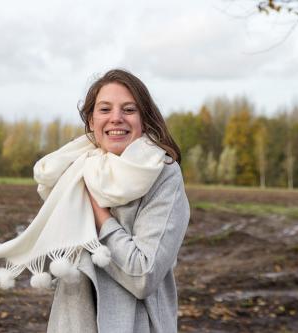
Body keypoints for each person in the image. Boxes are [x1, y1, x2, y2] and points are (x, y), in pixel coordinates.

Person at [46, 69, 190, 333]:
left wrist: (99, 214)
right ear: (91, 120)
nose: (116, 118)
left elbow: (143, 274)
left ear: (144, 119)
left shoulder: (162, 174)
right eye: (104, 109)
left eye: (128, 109)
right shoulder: (77, 170)